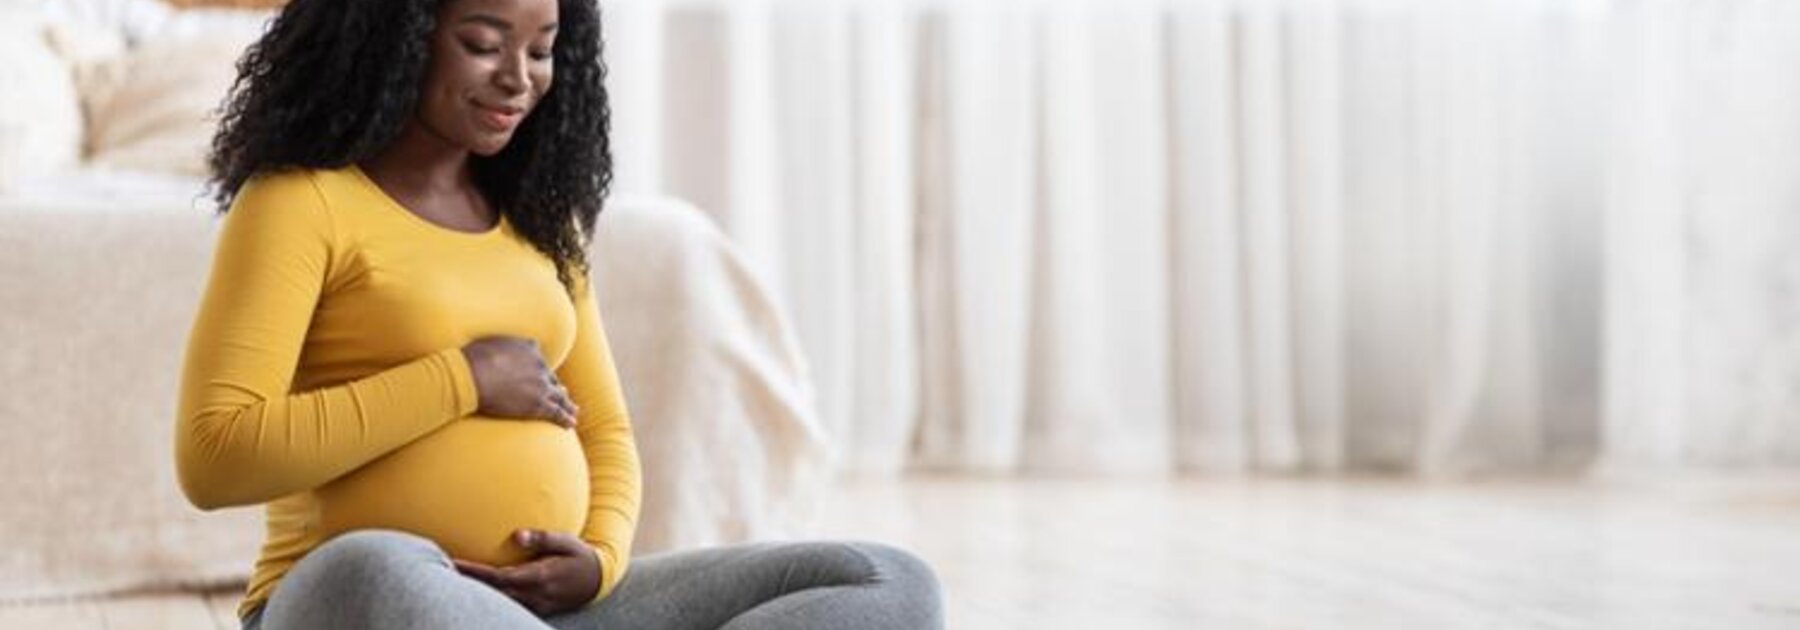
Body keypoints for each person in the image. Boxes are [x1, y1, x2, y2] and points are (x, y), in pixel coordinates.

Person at [175, 0, 943, 628]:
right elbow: (216, 455)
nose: (517, 79)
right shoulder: (299, 203)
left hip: (549, 617)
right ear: (398, 37)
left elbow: (605, 431)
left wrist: (602, 558)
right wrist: (462, 379)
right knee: (374, 568)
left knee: (885, 580)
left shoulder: (539, 221)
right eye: (483, 43)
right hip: (358, 604)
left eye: (542, 49)